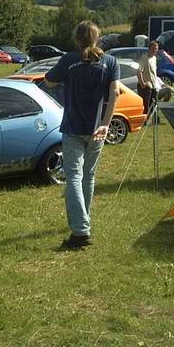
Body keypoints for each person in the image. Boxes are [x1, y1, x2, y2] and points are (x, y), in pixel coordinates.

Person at [45, 21, 120, 249]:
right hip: (97, 129)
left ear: (77, 39)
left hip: (73, 129)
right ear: (97, 38)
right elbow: (115, 92)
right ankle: (83, 221)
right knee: (88, 176)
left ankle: (80, 231)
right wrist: (106, 124)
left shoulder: (69, 60)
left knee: (74, 177)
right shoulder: (110, 61)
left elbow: (49, 80)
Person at [137, 40, 160, 117]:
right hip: (146, 86)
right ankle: (145, 120)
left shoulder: (154, 58)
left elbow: (154, 73)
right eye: (153, 48)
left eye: (156, 48)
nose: (155, 50)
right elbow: (139, 71)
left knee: (154, 103)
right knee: (146, 105)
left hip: (154, 85)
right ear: (149, 49)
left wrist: (157, 84)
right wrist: (142, 83)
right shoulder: (144, 58)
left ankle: (155, 120)